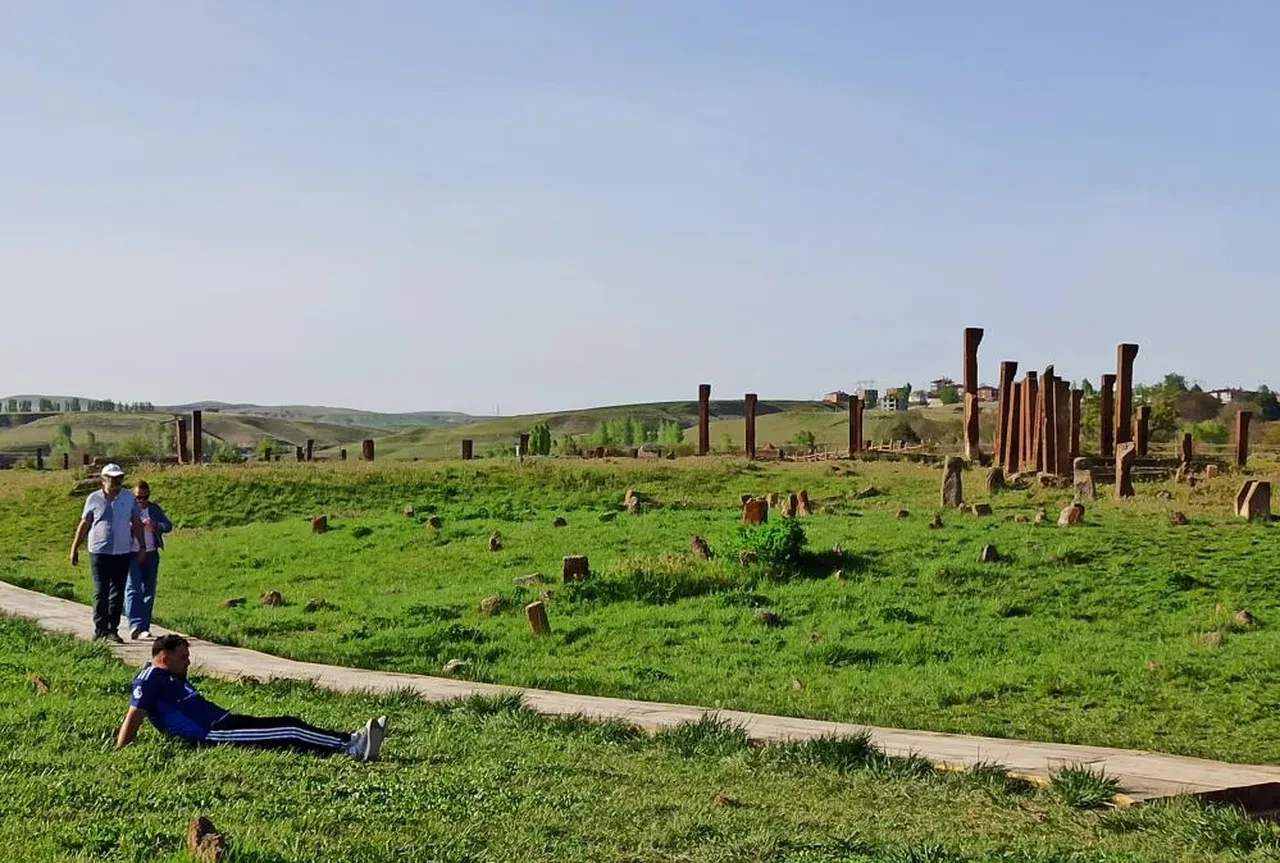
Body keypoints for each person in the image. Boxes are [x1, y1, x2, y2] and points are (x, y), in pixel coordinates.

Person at [116, 634, 388, 760]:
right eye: (183, 658)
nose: (188, 662)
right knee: (289, 729)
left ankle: (351, 739)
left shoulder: (170, 676)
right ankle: (350, 747)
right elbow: (134, 715)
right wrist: (120, 751)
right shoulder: (150, 679)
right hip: (211, 734)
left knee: (287, 722)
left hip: (223, 721)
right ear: (164, 658)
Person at [70, 463, 147, 642]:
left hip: (122, 551)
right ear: (103, 480)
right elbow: (85, 524)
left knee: (117, 592)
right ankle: (100, 629)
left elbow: (136, 522)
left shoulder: (128, 498)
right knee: (101, 591)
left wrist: (141, 545)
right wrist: (75, 548)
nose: (116, 482)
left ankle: (113, 629)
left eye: (119, 478)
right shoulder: (94, 499)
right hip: (99, 551)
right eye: (112, 478)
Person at [125, 480, 172, 640]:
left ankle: (145, 627)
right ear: (133, 497)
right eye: (139, 497)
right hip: (132, 552)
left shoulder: (154, 509)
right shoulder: (127, 510)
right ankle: (134, 625)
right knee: (133, 588)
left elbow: (168, 526)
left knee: (149, 590)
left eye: (145, 497)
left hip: (151, 553)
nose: (142, 501)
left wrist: (156, 525)